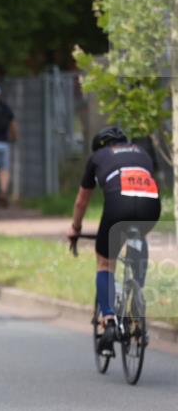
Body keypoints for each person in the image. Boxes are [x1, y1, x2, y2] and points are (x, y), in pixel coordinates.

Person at [68, 126, 161, 356]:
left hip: (118, 207)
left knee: (104, 263)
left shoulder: (97, 157)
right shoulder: (142, 152)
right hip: (151, 205)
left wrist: (76, 228)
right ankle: (137, 295)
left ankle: (109, 319)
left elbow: (81, 202)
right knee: (138, 235)